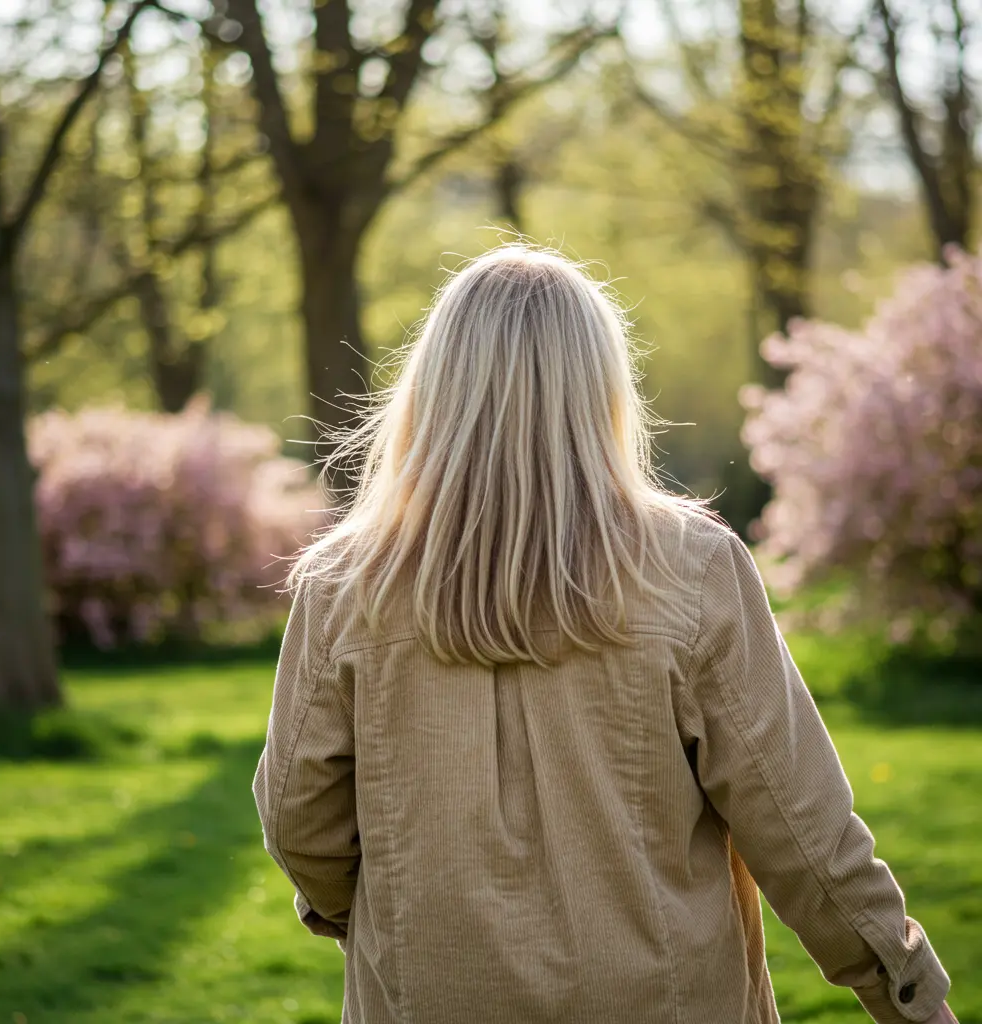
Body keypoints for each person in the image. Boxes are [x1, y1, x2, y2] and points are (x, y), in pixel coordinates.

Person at [253, 245, 956, 1024]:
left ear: (433, 390)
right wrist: (911, 995)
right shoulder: (690, 568)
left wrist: (385, 921)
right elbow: (803, 830)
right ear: (601, 391)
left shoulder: (346, 586)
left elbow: (297, 819)